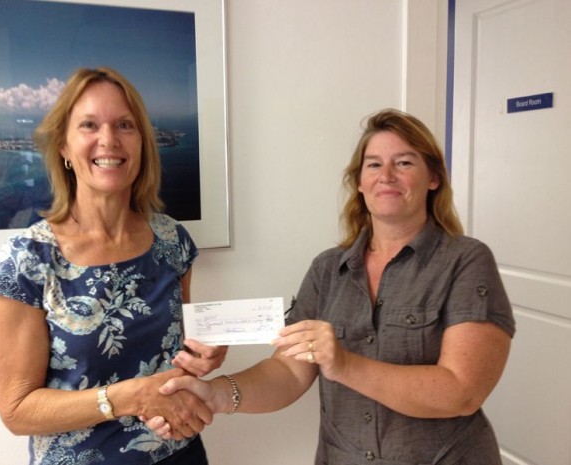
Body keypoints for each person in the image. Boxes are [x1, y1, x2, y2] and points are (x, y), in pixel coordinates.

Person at [147, 109, 516, 465]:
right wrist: (214, 395)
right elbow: (289, 372)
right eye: (374, 165)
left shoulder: (466, 261)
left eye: (404, 163)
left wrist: (345, 364)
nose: (386, 176)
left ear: (433, 177)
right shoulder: (328, 270)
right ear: (360, 182)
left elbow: (461, 392)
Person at [0, 67, 228, 465]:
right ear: (64, 146)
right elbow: (16, 410)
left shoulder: (173, 241)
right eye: (89, 125)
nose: (109, 139)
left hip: (180, 455)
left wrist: (202, 357)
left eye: (124, 125)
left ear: (142, 142)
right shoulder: (28, 258)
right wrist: (129, 397)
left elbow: (178, 354)